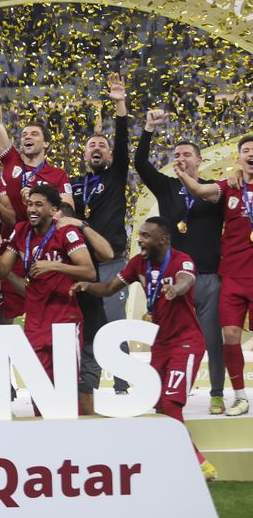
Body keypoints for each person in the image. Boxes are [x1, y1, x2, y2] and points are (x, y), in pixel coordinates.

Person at [71, 217, 217, 480]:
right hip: (160, 345)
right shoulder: (138, 263)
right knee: (159, 407)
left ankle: (200, 465)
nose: (140, 240)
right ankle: (171, 464)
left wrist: (177, 288)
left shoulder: (181, 260)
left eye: (146, 236)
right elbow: (108, 288)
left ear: (164, 240)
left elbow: (186, 279)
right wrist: (87, 286)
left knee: (171, 404)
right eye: (140, 235)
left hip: (186, 343)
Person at [134, 110, 225, 414]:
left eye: (187, 154)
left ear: (200, 160)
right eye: (176, 154)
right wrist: (148, 128)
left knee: (213, 338)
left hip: (208, 276)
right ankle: (164, 394)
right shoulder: (168, 187)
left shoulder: (215, 189)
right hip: (172, 280)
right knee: (168, 339)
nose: (181, 157)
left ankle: (216, 393)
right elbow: (140, 164)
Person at [0, 185, 95, 399]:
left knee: (65, 394)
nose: (32, 209)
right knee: (40, 393)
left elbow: (89, 272)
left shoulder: (65, 231)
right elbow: (0, 273)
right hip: (35, 323)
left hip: (64, 320)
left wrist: (55, 266)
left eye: (39, 204)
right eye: (30, 204)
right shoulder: (21, 231)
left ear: (53, 209)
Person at [174, 135, 253, 417]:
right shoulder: (228, 188)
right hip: (231, 274)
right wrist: (183, 174)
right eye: (246, 151)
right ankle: (240, 396)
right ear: (239, 157)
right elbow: (196, 189)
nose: (250, 154)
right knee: (229, 334)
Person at [69, 73, 131, 394]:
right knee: (87, 325)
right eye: (91, 144)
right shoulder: (74, 184)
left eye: (102, 146)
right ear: (83, 154)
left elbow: (122, 145)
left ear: (108, 156)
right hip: (84, 264)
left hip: (113, 265)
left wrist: (120, 105)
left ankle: (122, 384)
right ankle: (86, 384)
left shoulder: (116, 175)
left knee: (115, 323)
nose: (97, 147)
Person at [0, 56, 74, 221]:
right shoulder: (11, 159)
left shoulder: (58, 175)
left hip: (42, 241)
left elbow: (68, 211)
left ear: (46, 143)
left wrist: (39, 200)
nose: (27, 136)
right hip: (11, 239)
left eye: (34, 134)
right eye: (24, 135)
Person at [54, 203, 114, 415]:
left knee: (85, 387)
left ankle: (89, 440)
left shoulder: (81, 239)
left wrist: (82, 225)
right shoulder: (40, 242)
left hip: (89, 323)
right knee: (60, 391)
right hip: (56, 325)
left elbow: (108, 253)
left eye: (57, 219)